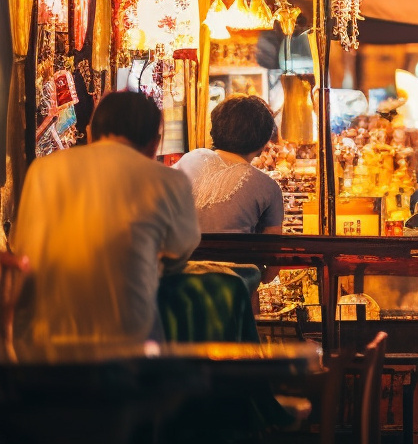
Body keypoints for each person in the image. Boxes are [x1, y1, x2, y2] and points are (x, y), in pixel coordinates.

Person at [12, 91, 200, 347]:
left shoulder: (42, 170)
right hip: (124, 348)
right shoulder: (169, 181)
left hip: (36, 346)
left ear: (90, 133)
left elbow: (22, 248)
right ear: (154, 145)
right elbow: (180, 251)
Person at [174, 95, 283, 234]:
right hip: (233, 255)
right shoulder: (269, 187)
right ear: (264, 142)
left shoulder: (191, 158)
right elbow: (272, 248)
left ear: (214, 129)